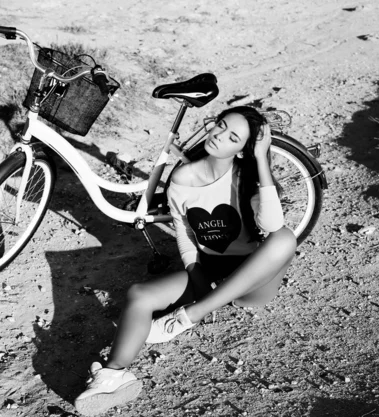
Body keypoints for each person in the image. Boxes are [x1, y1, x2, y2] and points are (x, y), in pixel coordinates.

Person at [74, 106, 297, 416]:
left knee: (284, 238)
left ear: (242, 150)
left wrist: (261, 158)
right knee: (139, 294)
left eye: (233, 137)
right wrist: (197, 278)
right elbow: (185, 235)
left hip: (253, 278)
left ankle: (193, 314)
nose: (219, 136)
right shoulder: (182, 177)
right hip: (210, 268)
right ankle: (114, 375)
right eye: (220, 125)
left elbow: (272, 226)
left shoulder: (247, 178)